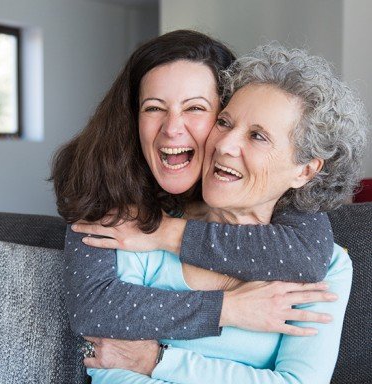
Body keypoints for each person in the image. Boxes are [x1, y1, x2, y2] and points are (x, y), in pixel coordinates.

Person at [82, 43, 367, 383]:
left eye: (257, 136)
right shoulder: (142, 230)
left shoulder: (326, 265)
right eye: (224, 122)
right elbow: (111, 367)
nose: (224, 144)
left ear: (305, 170)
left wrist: (159, 361)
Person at [51, 30, 335, 342]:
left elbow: (306, 255)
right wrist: (226, 309)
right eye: (154, 107)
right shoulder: (103, 179)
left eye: (195, 108)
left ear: (224, 115)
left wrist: (164, 232)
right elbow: (91, 309)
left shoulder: (255, 184)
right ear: (132, 117)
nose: (172, 129)